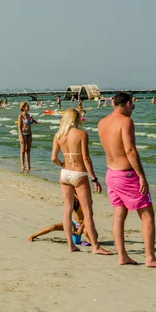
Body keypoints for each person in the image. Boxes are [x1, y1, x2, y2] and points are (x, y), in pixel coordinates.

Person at [98, 92, 156, 268]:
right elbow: (130, 151)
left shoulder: (102, 123)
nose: (132, 110)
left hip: (111, 173)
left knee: (118, 215)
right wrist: (142, 176)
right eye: (133, 106)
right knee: (147, 215)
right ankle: (150, 257)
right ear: (128, 104)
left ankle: (122, 256)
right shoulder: (126, 122)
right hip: (126, 175)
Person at [52, 108, 110, 255]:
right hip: (79, 174)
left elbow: (53, 158)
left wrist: (63, 165)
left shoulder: (58, 135)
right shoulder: (81, 134)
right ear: (76, 119)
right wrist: (94, 179)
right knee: (87, 212)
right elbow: (86, 159)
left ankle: (71, 245)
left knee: (67, 211)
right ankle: (95, 247)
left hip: (64, 174)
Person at [18, 102, 36, 172]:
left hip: (29, 134)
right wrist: (21, 136)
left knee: (28, 150)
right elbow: (19, 127)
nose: (28, 107)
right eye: (27, 106)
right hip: (23, 134)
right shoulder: (21, 116)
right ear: (23, 107)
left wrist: (34, 121)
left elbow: (33, 122)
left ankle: (29, 166)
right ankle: (23, 165)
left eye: (28, 105)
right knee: (23, 150)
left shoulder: (29, 115)